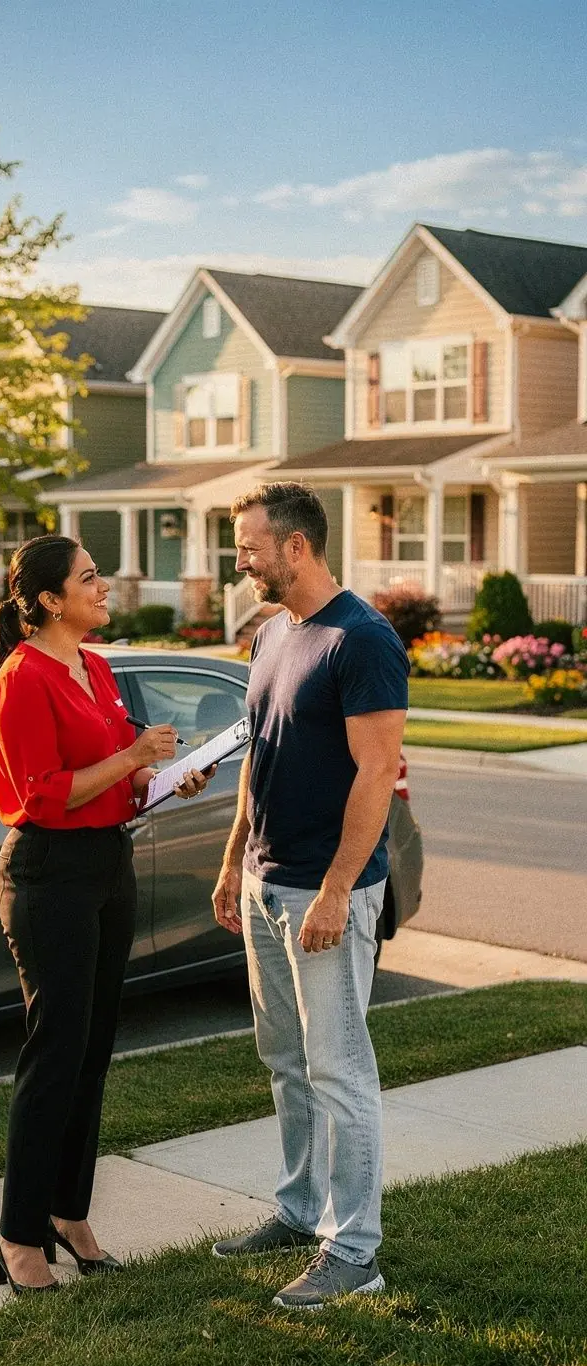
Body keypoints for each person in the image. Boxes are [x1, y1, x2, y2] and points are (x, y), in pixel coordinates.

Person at [0, 534, 213, 1294]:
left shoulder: (98, 668)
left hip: (109, 866)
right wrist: (132, 757)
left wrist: (164, 777)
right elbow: (43, 793)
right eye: (88, 578)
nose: (103, 585)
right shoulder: (23, 678)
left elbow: (117, 780)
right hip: (49, 874)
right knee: (55, 1053)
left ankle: (68, 1214)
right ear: (51, 600)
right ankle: (19, 1235)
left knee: (92, 1050)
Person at [211, 482, 409, 1311]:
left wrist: (336, 890)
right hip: (266, 880)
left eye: (250, 547)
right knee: (287, 1063)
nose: (241, 562)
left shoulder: (362, 640)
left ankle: (354, 1250)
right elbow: (259, 754)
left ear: (296, 546)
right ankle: (300, 1210)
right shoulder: (271, 635)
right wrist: (235, 861)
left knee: (339, 1069)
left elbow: (376, 773)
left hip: (326, 894)